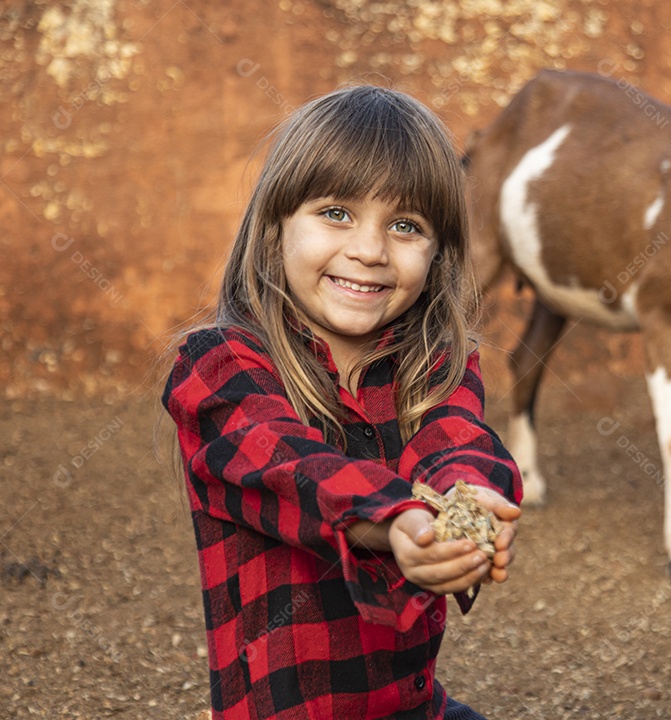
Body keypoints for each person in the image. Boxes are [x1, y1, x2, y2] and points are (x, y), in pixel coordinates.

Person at [161, 85, 522, 720]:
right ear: (276, 226)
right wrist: (400, 521)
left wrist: (471, 504)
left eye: (406, 226)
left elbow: (458, 439)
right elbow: (293, 468)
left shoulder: (434, 363)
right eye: (336, 212)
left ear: (439, 256)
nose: (370, 250)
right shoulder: (220, 367)